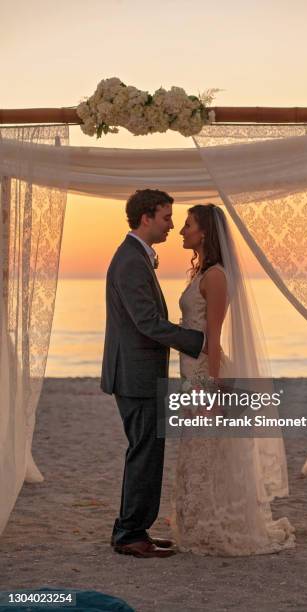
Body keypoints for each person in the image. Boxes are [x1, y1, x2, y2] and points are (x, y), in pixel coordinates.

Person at [171, 203, 295, 555]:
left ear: (205, 231)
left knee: (210, 451)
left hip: (205, 373)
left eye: (188, 224)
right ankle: (199, 524)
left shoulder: (216, 276)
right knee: (199, 451)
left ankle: (216, 525)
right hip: (192, 370)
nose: (183, 231)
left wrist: (209, 386)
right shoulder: (203, 273)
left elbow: (213, 333)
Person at [101, 189, 205, 558]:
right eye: (166, 217)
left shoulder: (135, 257)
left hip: (137, 373)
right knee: (145, 453)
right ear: (145, 217)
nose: (172, 225)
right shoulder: (130, 261)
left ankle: (131, 528)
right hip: (135, 375)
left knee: (144, 451)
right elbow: (147, 322)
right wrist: (199, 340)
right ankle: (131, 534)